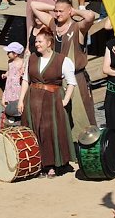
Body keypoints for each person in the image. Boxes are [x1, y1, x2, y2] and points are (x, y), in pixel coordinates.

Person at [32, 0, 97, 140]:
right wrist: (54, 8)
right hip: (56, 78)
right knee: (58, 115)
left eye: (61, 11)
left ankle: (85, 150)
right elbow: (34, 5)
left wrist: (75, 11)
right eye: (56, 11)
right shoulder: (53, 24)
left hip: (76, 78)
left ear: (69, 11)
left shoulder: (78, 27)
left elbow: (90, 16)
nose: (57, 14)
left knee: (81, 116)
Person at [18, 29, 76, 177]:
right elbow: (26, 79)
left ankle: (51, 165)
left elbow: (71, 82)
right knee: (33, 130)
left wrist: (65, 100)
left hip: (52, 100)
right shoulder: (32, 58)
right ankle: (37, 164)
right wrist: (21, 100)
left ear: (49, 43)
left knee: (49, 131)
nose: (36, 44)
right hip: (32, 99)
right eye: (36, 41)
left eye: (39, 41)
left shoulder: (62, 60)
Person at [1, 42, 25, 118]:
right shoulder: (10, 62)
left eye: (9, 52)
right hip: (9, 84)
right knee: (7, 99)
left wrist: (22, 74)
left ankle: (18, 114)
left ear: (15, 53)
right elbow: (9, 70)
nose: (7, 54)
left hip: (17, 84)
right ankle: (10, 113)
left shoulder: (21, 62)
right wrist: (5, 74)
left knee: (16, 99)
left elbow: (22, 72)